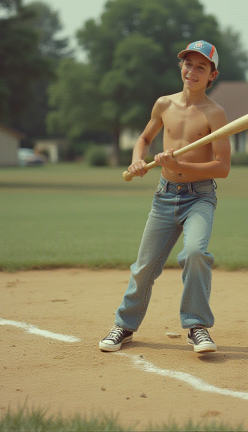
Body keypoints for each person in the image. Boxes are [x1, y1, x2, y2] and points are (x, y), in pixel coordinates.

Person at [99, 40, 231, 354]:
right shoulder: (163, 105)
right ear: (181, 67)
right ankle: (125, 326)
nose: (192, 71)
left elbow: (222, 167)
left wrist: (178, 164)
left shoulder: (216, 113)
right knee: (144, 267)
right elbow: (144, 138)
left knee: (195, 254)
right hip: (165, 196)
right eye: (188, 64)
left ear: (212, 75)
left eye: (201, 67)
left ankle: (197, 327)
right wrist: (137, 159)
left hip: (199, 197)